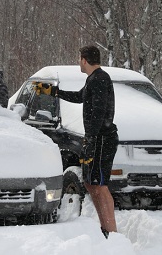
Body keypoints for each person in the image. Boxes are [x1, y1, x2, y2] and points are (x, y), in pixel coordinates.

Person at [40, 45, 118, 238]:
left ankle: (112, 232)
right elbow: (79, 97)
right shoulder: (93, 79)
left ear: (84, 60)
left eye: (79, 60)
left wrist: (91, 138)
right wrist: (54, 92)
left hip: (102, 139)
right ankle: (104, 228)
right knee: (91, 185)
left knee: (100, 185)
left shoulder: (100, 79)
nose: (78, 63)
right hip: (97, 138)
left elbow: (99, 112)